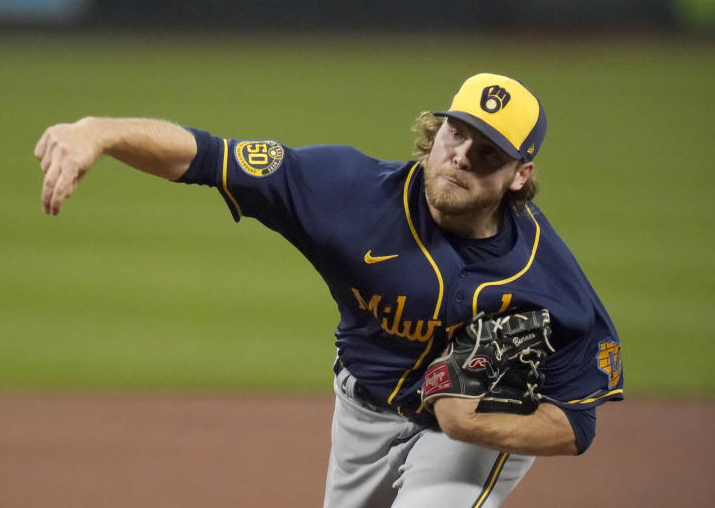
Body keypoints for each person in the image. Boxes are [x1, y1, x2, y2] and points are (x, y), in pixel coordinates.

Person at [33, 73, 624, 507]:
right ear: (436, 130)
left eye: (487, 152)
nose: (460, 157)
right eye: (455, 133)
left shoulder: (549, 281)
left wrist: (474, 425)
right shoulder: (347, 191)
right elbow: (207, 157)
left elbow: (577, 425)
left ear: (520, 174)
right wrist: (99, 132)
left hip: (466, 435)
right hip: (361, 411)